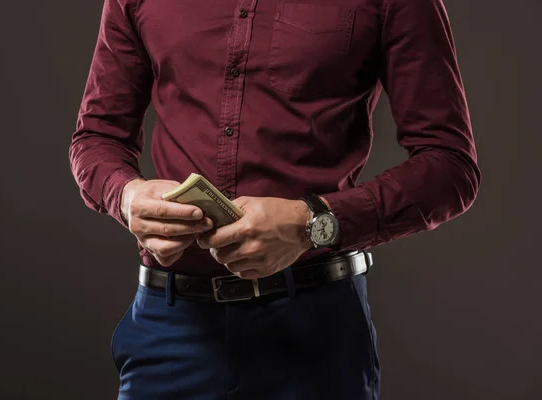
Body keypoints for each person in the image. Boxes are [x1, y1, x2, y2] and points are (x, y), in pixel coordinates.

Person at [69, 0, 480, 398]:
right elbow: (97, 137)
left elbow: (449, 165)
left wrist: (313, 222)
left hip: (314, 334)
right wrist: (126, 195)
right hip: (169, 329)